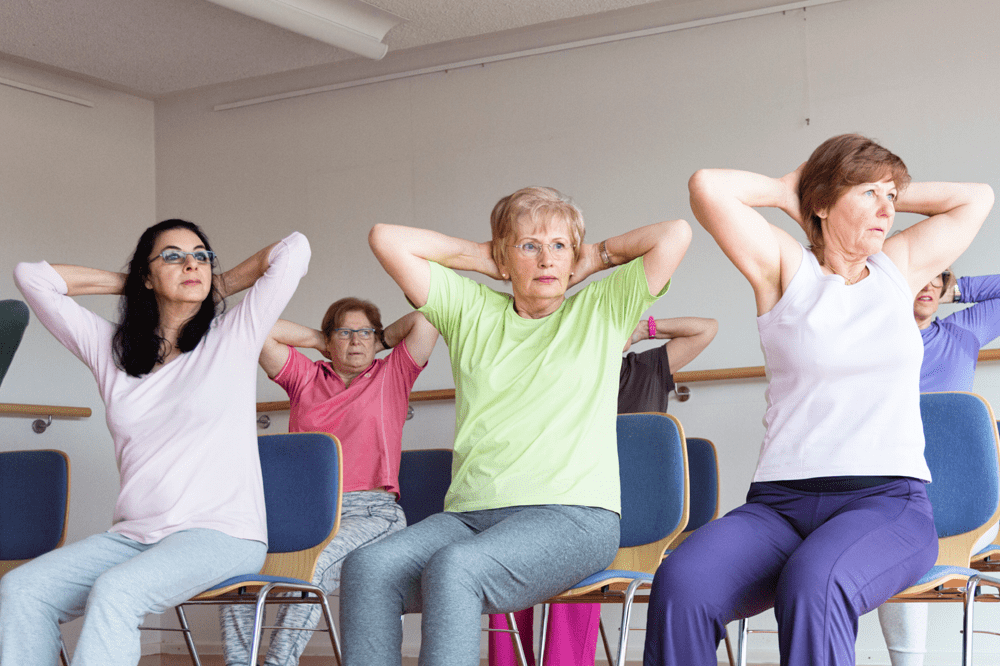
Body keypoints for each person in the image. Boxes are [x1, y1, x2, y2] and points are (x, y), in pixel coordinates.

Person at [643, 134, 994, 666]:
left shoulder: (899, 267)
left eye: (892, 197)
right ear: (824, 203)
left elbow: (977, 198)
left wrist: (878, 184)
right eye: (868, 194)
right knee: (683, 580)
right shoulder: (786, 269)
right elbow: (708, 187)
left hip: (886, 503)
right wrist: (792, 190)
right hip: (779, 506)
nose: (886, 209)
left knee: (815, 583)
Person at [341, 186, 690, 666]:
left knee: (455, 570)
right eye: (528, 245)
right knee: (367, 568)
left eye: (559, 246)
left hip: (573, 516)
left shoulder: (602, 309)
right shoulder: (470, 309)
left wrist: (598, 257)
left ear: (574, 258)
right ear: (504, 257)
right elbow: (387, 239)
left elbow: (675, 234)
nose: (546, 258)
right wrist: (485, 259)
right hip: (469, 517)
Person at [2, 220, 310, 666]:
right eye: (172, 255)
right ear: (146, 276)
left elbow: (293, 250)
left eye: (202, 255)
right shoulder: (112, 350)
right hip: (133, 536)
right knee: (22, 590)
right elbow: (33, 277)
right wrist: (135, 286)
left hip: (221, 532)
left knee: (117, 590)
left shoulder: (234, 336)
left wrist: (216, 284)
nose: (192, 263)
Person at [488, 315, 718, 666]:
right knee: (499, 558)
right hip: (561, 508)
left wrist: (642, 329)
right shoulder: (558, 377)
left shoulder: (649, 368)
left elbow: (707, 328)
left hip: (624, 518)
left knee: (571, 551)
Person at [220, 300, 438, 666]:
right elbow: (256, 329)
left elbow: (427, 319)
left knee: (312, 564)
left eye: (364, 332)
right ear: (329, 339)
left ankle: (279, 662)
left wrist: (380, 340)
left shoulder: (392, 374)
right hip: (300, 513)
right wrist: (318, 340)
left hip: (370, 511)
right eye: (344, 333)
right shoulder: (306, 377)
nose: (356, 341)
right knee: (236, 564)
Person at [877, 267, 1000, 666]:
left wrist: (953, 289)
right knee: (894, 535)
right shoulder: (869, 338)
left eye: (938, 275)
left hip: (963, 507)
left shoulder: (962, 332)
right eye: (918, 273)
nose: (928, 283)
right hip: (893, 498)